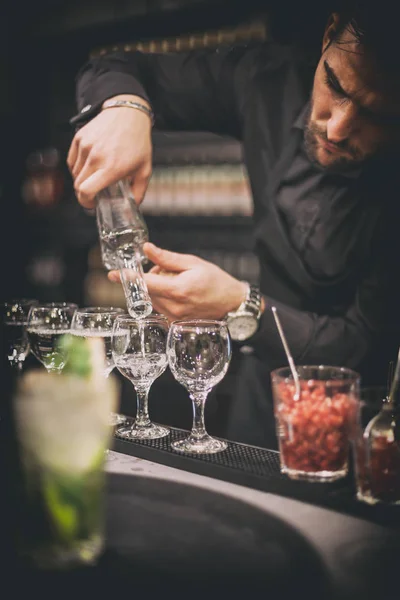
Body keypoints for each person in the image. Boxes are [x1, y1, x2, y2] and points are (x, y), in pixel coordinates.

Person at [67, 4, 400, 448]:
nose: (338, 127)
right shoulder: (269, 78)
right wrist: (125, 107)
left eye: (376, 116)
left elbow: (370, 347)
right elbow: (117, 66)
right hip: (258, 413)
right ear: (328, 34)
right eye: (334, 84)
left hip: (364, 431)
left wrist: (241, 307)